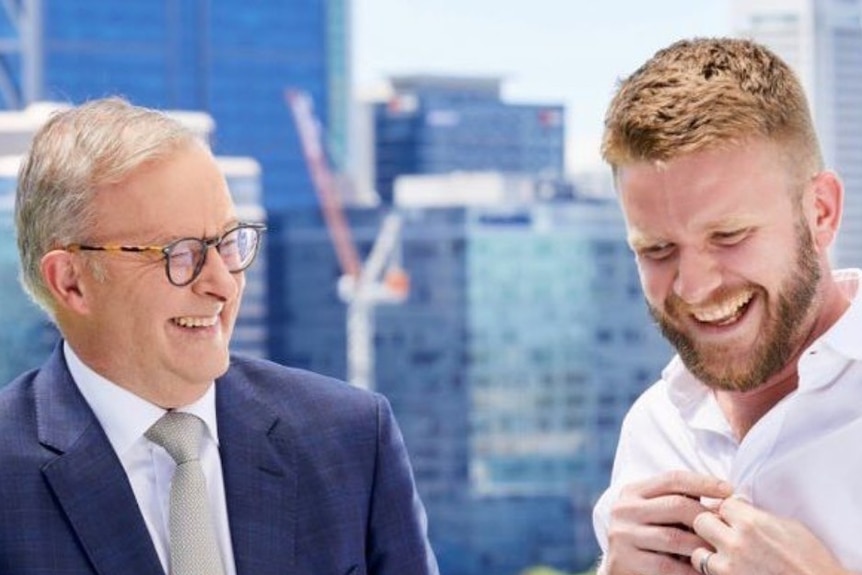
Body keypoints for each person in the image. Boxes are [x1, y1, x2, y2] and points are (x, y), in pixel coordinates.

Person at [3, 97, 439, 575]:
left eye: (228, 242)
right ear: (72, 282)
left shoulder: (351, 438)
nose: (223, 284)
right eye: (179, 253)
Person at [592, 37, 862, 575]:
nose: (693, 288)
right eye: (657, 249)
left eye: (728, 235)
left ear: (821, 212)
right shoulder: (653, 428)